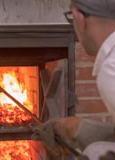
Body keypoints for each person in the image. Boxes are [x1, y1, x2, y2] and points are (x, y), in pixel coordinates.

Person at [31, 0, 115, 160]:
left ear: (79, 18)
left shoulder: (111, 68)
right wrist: (79, 129)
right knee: (95, 148)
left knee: (93, 152)